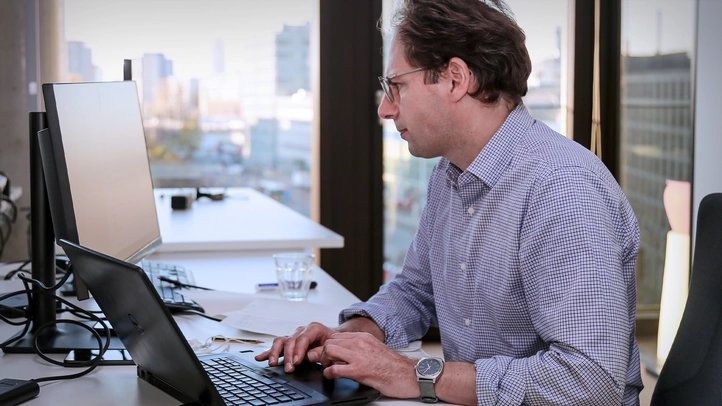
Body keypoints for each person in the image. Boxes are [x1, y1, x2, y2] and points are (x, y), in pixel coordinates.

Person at [256, 0, 643, 404]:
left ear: (456, 79)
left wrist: (415, 374)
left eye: (397, 86)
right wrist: (349, 337)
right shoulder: (451, 172)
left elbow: (590, 381)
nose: (385, 108)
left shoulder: (562, 190)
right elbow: (416, 291)